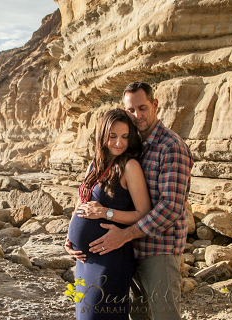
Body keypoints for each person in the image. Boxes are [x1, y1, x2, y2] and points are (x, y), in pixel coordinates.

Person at [85, 82, 194, 320]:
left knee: (165, 316)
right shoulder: (130, 147)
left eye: (142, 108)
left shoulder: (170, 147)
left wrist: (124, 234)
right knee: (138, 316)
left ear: (155, 105)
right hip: (127, 251)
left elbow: (171, 208)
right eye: (130, 110)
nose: (137, 115)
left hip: (159, 251)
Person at [65, 108, 152, 320]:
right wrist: (69, 238)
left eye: (124, 137)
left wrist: (106, 213)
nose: (119, 143)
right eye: (112, 136)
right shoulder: (95, 165)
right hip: (84, 260)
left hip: (110, 257)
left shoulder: (129, 166)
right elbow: (81, 204)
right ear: (103, 136)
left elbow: (143, 213)